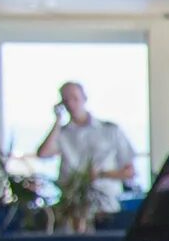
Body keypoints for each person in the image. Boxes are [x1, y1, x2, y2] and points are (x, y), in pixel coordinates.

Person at [31, 80, 136, 217]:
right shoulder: (63, 134)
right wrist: (57, 121)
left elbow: (129, 172)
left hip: (105, 204)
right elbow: (43, 153)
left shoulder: (109, 130)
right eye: (66, 100)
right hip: (73, 206)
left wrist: (100, 174)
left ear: (84, 98)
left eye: (74, 98)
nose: (71, 103)